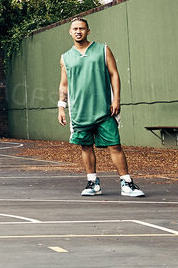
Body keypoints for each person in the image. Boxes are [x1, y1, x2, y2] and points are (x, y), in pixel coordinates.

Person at [57, 16, 144, 197]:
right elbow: (64, 84)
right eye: (75, 29)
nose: (78, 31)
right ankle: (92, 183)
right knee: (86, 146)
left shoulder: (103, 50)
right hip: (80, 111)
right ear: (70, 32)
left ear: (88, 31)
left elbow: (114, 74)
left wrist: (116, 99)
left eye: (82, 28)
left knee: (115, 146)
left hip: (104, 109)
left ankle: (127, 183)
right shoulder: (65, 58)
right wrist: (61, 107)